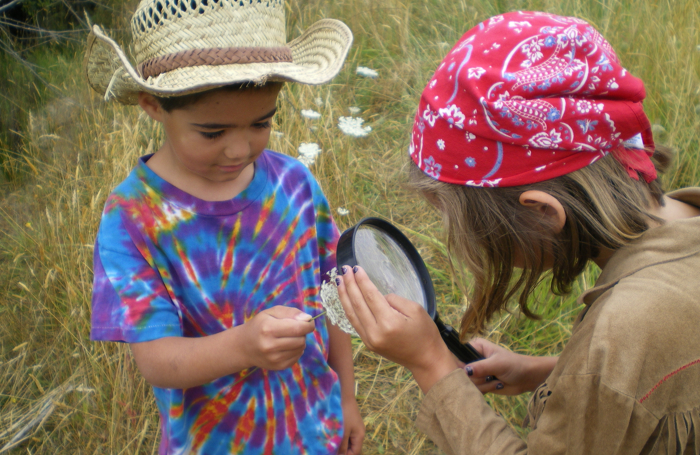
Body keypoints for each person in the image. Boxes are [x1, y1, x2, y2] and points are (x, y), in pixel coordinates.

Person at [336, 11, 700, 455]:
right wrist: (549, 371)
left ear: (544, 214)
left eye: (469, 232)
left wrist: (431, 364)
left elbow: (620, 371)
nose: (467, 247)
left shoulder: (625, 330)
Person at [85, 1, 364, 453]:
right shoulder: (132, 218)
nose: (239, 149)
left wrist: (347, 398)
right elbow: (157, 361)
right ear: (153, 105)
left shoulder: (295, 184)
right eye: (212, 133)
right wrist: (244, 347)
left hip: (316, 427)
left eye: (262, 122)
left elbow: (332, 297)